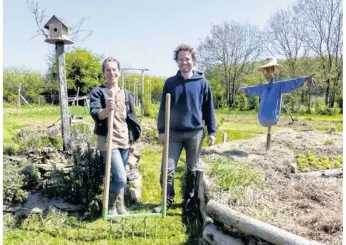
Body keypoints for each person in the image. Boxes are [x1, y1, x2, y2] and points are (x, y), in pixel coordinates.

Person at [152, 44, 217, 215]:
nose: (184, 62)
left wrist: (212, 131)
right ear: (177, 61)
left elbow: (209, 107)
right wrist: (161, 130)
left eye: (187, 59)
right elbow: (162, 109)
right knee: (167, 168)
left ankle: (189, 201)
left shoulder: (202, 83)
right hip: (173, 133)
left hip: (195, 132)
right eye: (181, 59)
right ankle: (167, 200)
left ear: (193, 60)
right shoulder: (170, 83)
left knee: (192, 169)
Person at [89, 57, 141, 215]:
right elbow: (95, 113)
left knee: (122, 175)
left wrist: (132, 140)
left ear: (119, 72)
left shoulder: (126, 94)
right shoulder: (98, 92)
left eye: (114, 69)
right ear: (103, 73)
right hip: (108, 141)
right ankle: (110, 207)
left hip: (124, 139)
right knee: (119, 177)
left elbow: (131, 119)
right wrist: (106, 111)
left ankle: (120, 206)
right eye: (107, 70)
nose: (111, 73)